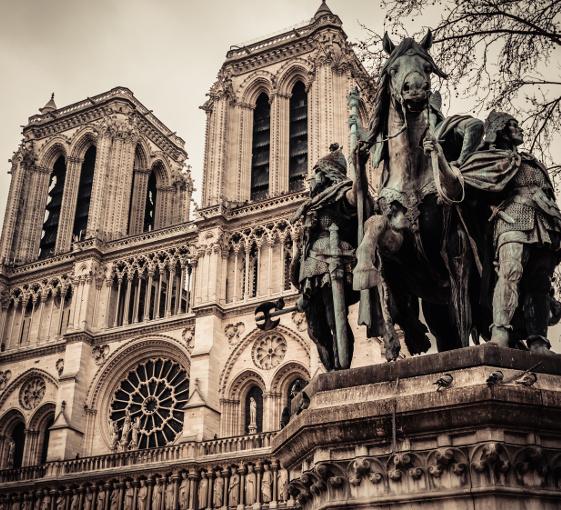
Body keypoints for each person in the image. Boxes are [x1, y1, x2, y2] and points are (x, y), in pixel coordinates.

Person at [461, 111, 561, 352]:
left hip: (544, 224)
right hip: (511, 220)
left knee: (539, 281)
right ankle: (501, 332)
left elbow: (548, 193)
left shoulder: (532, 161)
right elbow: (470, 188)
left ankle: (538, 340)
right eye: (514, 125)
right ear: (500, 130)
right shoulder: (488, 159)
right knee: (510, 272)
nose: (520, 129)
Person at [291, 144, 359, 370]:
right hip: (311, 266)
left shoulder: (341, 193)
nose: (313, 177)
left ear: (328, 173)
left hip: (332, 260)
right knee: (315, 327)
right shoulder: (311, 204)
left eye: (318, 172)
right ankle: (331, 371)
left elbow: (357, 200)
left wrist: (361, 170)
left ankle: (342, 369)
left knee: (335, 317)